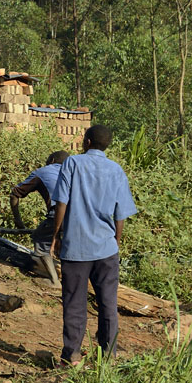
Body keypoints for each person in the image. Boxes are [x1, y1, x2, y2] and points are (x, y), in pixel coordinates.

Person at [51, 125, 137, 367]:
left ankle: (72, 356)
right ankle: (108, 355)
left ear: (87, 142)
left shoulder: (73, 164)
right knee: (108, 303)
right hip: (106, 248)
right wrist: (116, 242)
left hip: (76, 247)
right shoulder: (116, 170)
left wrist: (56, 235)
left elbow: (61, 203)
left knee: (74, 302)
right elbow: (121, 214)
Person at [10, 150, 70, 283]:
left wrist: (18, 221)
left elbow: (15, 194)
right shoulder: (74, 172)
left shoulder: (43, 172)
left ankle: (54, 281)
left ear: (52, 161)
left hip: (59, 214)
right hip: (82, 217)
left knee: (40, 238)